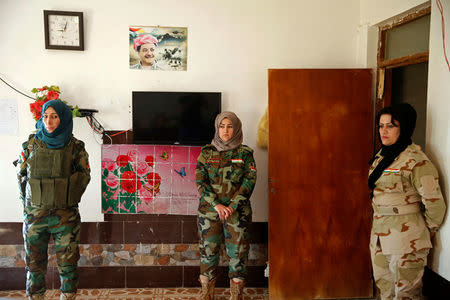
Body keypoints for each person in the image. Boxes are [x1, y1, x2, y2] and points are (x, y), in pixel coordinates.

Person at [368, 103, 446, 300]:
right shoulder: (381, 157)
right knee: (385, 291)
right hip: (380, 237)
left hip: (406, 241)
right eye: (381, 125)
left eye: (390, 126)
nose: (383, 131)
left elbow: (435, 204)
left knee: (406, 295)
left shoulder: (416, 160)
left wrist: (425, 231)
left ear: (404, 127)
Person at [15, 100, 91, 300]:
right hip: (34, 217)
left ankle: (67, 296)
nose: (48, 121)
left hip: (65, 219)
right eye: (45, 116)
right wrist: (28, 206)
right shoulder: (30, 145)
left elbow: (84, 176)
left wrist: (65, 195)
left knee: (68, 265)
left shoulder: (75, 147)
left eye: (55, 116)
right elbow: (21, 176)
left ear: (63, 118)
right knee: (34, 265)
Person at [195, 112, 257, 300]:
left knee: (237, 255)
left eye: (230, 126)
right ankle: (207, 294)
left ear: (236, 128)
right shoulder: (206, 152)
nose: (225, 130)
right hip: (209, 213)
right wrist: (216, 205)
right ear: (217, 128)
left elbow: (249, 181)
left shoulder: (245, 154)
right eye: (222, 126)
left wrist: (232, 206)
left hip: (237, 214)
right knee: (208, 253)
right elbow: (200, 181)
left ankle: (236, 295)